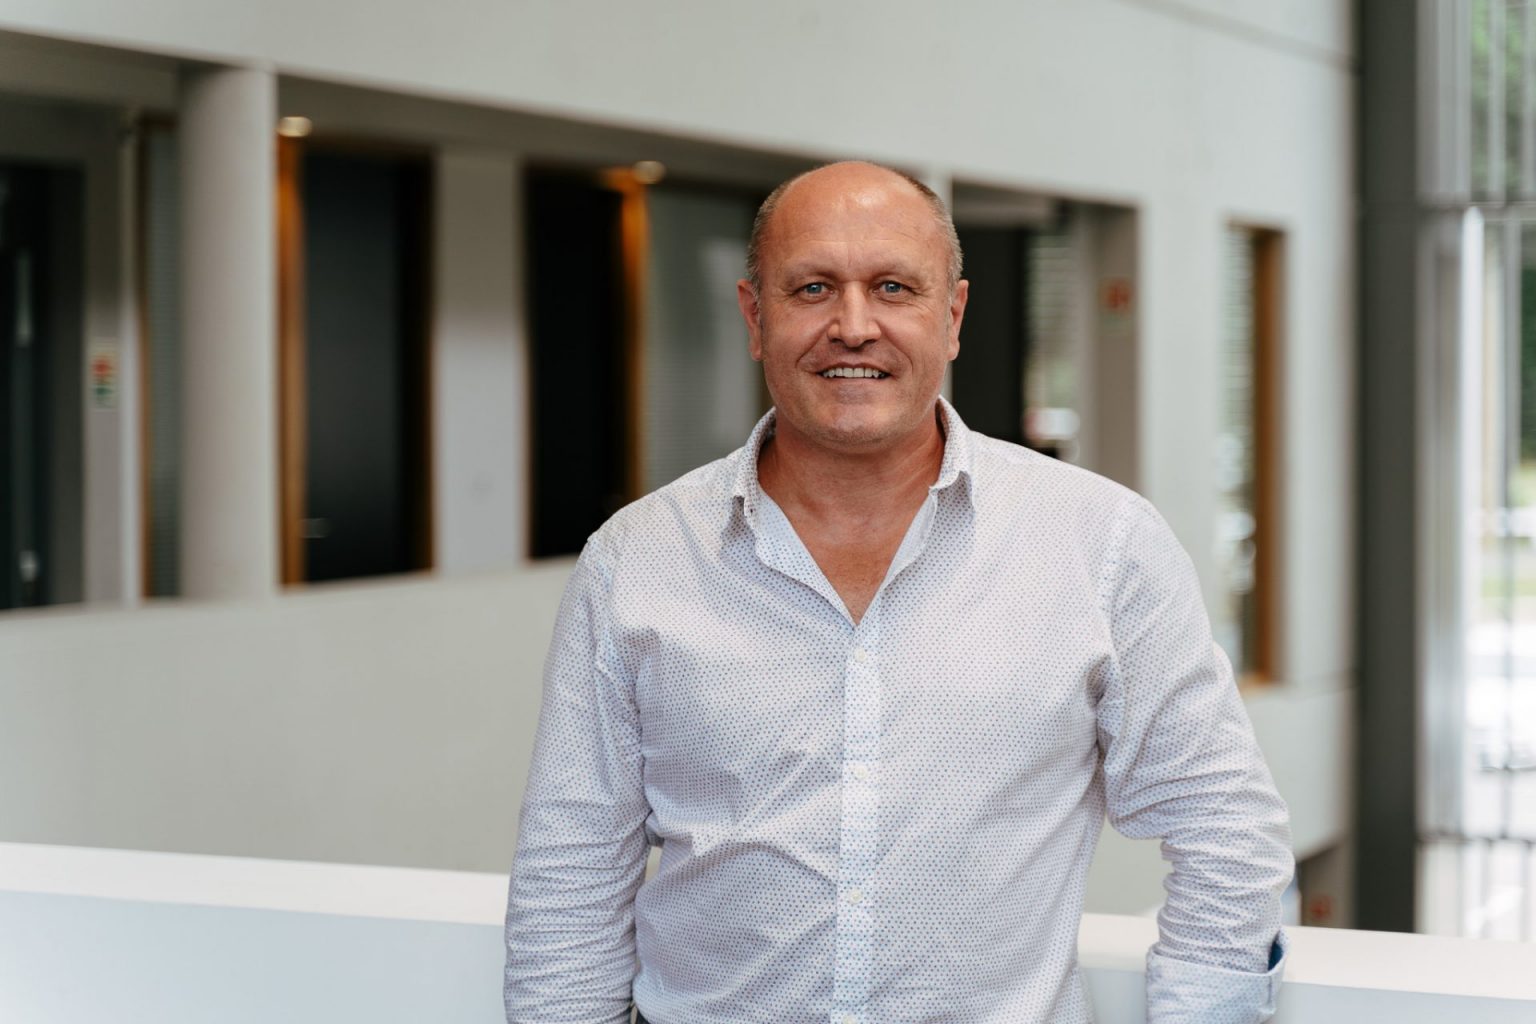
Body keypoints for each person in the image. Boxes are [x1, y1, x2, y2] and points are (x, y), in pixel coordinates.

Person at [504, 161, 1292, 1024]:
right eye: (811, 288)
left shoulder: (1101, 545)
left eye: (892, 288)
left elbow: (1226, 828)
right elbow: (572, 873)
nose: (853, 326)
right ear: (754, 315)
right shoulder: (637, 560)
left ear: (951, 315)